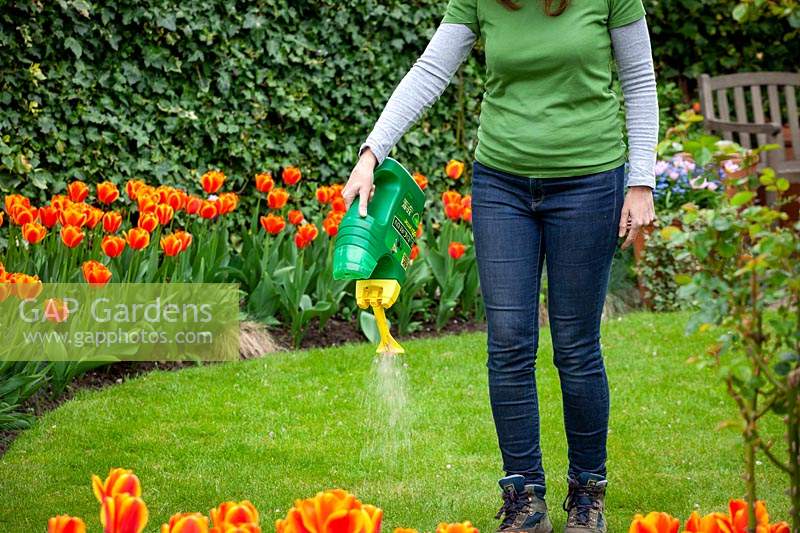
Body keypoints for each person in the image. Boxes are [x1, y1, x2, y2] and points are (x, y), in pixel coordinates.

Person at [341, 0, 658, 531]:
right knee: (509, 341)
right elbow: (431, 69)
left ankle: (587, 493)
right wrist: (372, 151)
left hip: (589, 180)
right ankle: (524, 498)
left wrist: (641, 181)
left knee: (576, 347)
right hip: (502, 185)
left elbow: (640, 84)